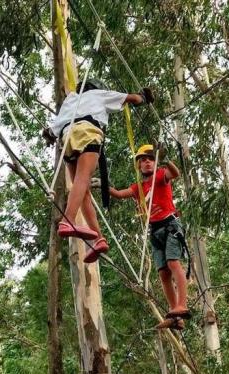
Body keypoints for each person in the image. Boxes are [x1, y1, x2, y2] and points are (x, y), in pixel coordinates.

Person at [42, 79, 154, 263]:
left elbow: (52, 131)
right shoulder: (100, 95)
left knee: (82, 189)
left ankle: (98, 239)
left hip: (67, 137)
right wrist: (143, 98)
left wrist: (48, 134)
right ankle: (68, 220)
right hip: (87, 132)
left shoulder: (71, 100)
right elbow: (131, 98)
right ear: (98, 88)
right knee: (83, 178)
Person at [109, 144, 190, 329]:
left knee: (173, 263)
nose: (147, 162)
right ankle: (175, 316)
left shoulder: (161, 175)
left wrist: (165, 159)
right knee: (163, 273)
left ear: (155, 162)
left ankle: (182, 305)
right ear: (138, 165)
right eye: (143, 160)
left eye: (150, 159)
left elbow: (175, 173)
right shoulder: (138, 187)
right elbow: (120, 194)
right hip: (154, 230)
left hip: (170, 225)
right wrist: (103, 185)